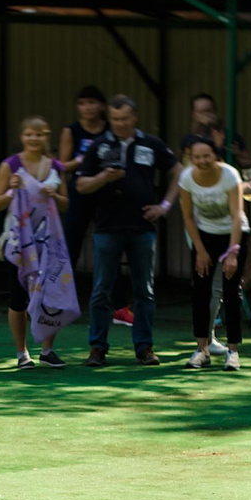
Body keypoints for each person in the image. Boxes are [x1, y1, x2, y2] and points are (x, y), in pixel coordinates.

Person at [75, 96, 176, 367]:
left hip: (142, 228)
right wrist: (103, 178)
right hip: (107, 227)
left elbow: (178, 171)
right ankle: (97, 348)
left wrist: (165, 206)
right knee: (101, 290)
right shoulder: (99, 146)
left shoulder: (151, 144)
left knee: (145, 290)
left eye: (124, 119)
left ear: (135, 117)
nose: (119, 124)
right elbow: (81, 185)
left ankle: (145, 348)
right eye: (115, 119)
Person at [0, 116, 76, 367]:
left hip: (49, 241)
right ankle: (22, 353)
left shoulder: (55, 166)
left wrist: (55, 196)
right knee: (18, 297)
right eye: (29, 134)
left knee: (52, 295)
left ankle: (47, 350)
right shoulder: (10, 165)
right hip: (19, 241)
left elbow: (66, 203)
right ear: (22, 136)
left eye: (39, 134)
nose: (34, 139)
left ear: (46, 137)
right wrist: (11, 190)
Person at [177, 135, 250, 371]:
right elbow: (188, 217)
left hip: (233, 233)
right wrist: (200, 250)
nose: (202, 161)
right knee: (200, 291)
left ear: (215, 155)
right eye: (197, 157)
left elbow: (237, 215)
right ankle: (202, 350)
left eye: (206, 156)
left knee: (231, 291)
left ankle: (233, 351)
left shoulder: (229, 175)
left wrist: (233, 253)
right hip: (205, 235)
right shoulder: (187, 178)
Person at [59, 84, 112, 301]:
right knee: (71, 243)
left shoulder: (110, 129)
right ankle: (61, 297)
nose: (87, 107)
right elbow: (62, 166)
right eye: (82, 103)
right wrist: (82, 159)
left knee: (108, 245)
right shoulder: (71, 130)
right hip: (79, 192)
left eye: (91, 102)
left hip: (105, 193)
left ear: (102, 106)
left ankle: (116, 302)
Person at [182, 92, 248, 170]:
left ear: (215, 112)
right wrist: (217, 146)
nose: (206, 115)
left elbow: (248, 162)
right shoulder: (189, 139)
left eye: (208, 111)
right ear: (194, 115)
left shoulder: (229, 135)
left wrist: (238, 153)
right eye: (201, 112)